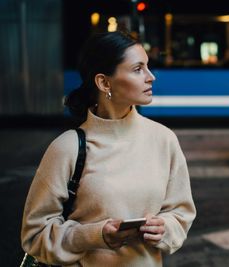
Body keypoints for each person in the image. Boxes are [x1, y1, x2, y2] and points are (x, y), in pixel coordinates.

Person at [21, 31, 196, 267]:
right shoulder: (67, 148)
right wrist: (96, 235)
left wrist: (165, 228)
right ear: (104, 82)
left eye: (148, 66)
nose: (151, 77)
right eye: (138, 69)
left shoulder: (164, 139)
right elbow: (34, 236)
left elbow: (180, 213)